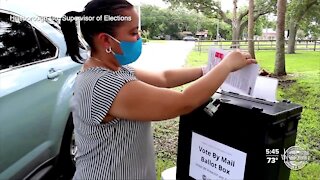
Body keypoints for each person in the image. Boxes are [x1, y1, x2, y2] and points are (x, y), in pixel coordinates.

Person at [60, 0, 257, 179]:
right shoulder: (104, 85)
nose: (138, 38)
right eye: (133, 32)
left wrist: (209, 69)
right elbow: (183, 102)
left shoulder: (114, 70)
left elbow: (164, 78)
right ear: (105, 40)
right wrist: (226, 66)